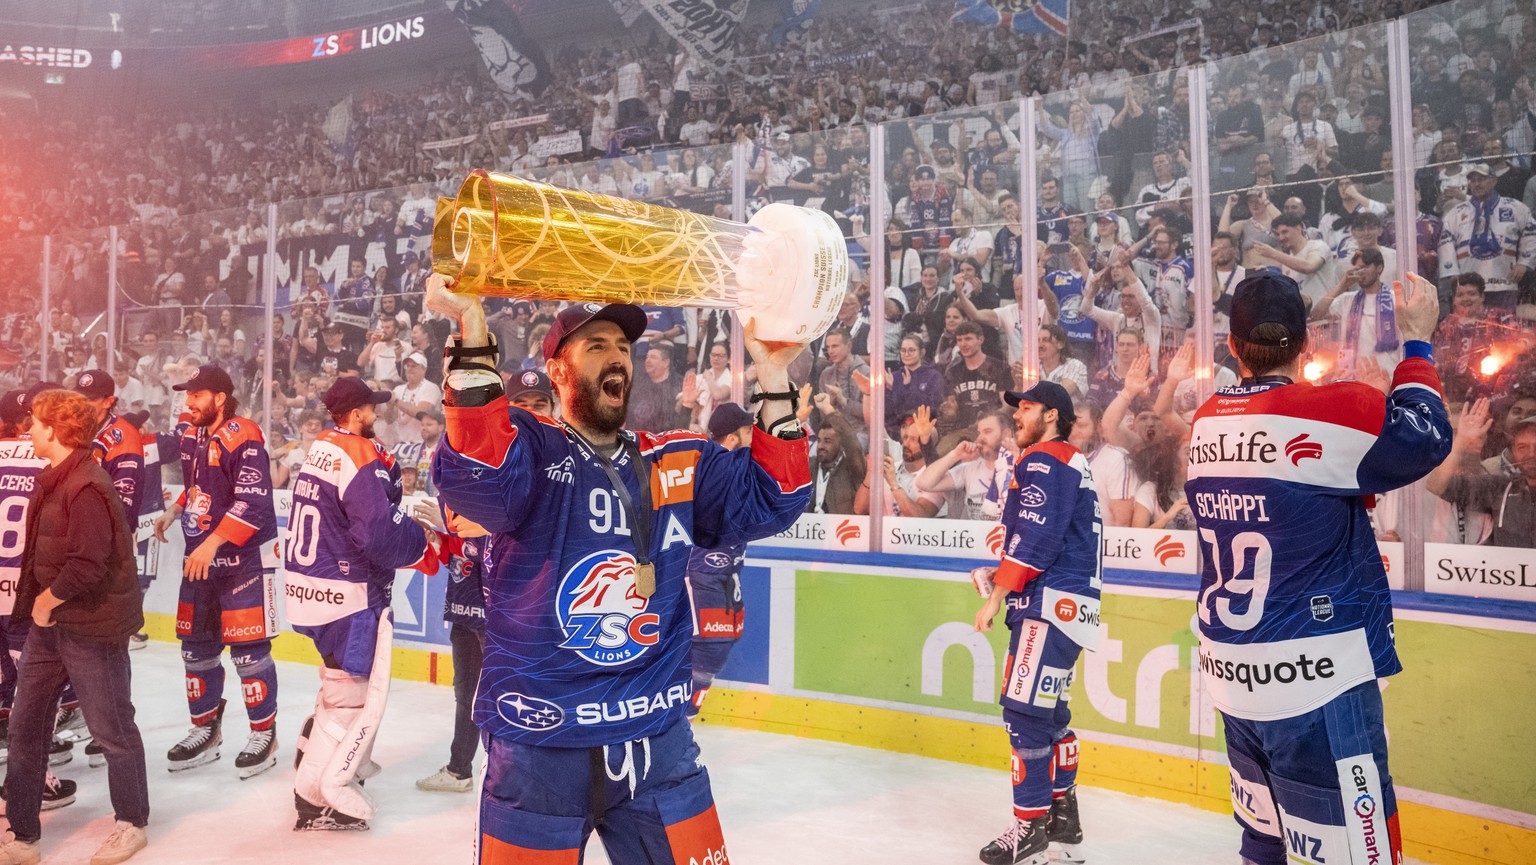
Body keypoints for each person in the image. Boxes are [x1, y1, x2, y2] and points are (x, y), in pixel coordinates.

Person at [426, 278, 811, 863]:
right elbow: (479, 478)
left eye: (624, 348)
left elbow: (773, 499)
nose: (617, 357)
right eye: (596, 345)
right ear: (556, 371)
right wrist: (472, 337)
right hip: (539, 748)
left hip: (658, 741)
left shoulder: (676, 459)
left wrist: (775, 378)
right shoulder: (531, 447)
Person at [1186, 271, 1447, 865]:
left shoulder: (1206, 420)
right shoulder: (1338, 409)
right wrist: (1418, 347)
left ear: (1231, 345)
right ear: (1307, 343)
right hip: (1321, 678)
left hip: (1232, 676)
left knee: (1263, 836)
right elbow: (1427, 438)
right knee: (1362, 851)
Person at [285, 377, 442, 829]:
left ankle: (314, 769)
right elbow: (375, 532)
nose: (377, 414)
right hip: (344, 594)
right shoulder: (357, 453)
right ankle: (313, 796)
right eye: (371, 408)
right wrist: (421, 544)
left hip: (310, 589)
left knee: (335, 686)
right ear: (356, 413)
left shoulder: (322, 446)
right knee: (349, 700)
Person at [0, 389, 150, 865]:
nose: (29, 429)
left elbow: (88, 564)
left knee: (112, 729)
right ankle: (23, 835)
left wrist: (45, 600)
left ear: (56, 430)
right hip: (53, 628)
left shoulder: (87, 485)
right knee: (26, 726)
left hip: (93, 627)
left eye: (36, 422)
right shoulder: (56, 477)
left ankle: (132, 824)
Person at [973, 381, 1100, 865]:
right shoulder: (1073, 462)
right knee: (1049, 715)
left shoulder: (1044, 459)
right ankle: (1063, 817)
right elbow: (1053, 540)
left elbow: (1036, 537)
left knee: (1025, 715)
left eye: (1026, 407)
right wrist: (999, 574)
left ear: (1052, 416)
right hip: (1072, 606)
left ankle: (1030, 830)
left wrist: (999, 593)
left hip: (1047, 608)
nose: (1018, 415)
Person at [151, 365, 280, 778]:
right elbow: (201, 486)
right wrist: (176, 508)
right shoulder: (192, 434)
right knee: (196, 649)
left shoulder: (245, 434)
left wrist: (212, 542)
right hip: (200, 561)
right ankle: (205, 730)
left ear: (220, 398)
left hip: (241, 562)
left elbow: (254, 501)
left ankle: (264, 734)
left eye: (196, 394)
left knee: (249, 653)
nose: (188, 402)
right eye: (187, 395)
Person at [684, 402, 756, 717]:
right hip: (703, 574)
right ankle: (677, 723)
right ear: (731, 439)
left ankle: (678, 720)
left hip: (726, 575)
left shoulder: (731, 465)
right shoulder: (713, 468)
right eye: (748, 431)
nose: (754, 436)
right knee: (708, 651)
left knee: (717, 648)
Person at [415, 504, 491, 794]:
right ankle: (459, 770)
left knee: (503, 694)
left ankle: (509, 771)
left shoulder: (494, 504)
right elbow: (458, 557)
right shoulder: (456, 504)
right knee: (466, 696)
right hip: (462, 613)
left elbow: (487, 549)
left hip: (491, 618)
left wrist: (447, 528)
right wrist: (434, 539)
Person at [1427, 399, 1536, 549]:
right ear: (1513, 452)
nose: (1531, 453)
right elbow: (1436, 485)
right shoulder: (1501, 488)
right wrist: (1461, 441)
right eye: (1522, 447)